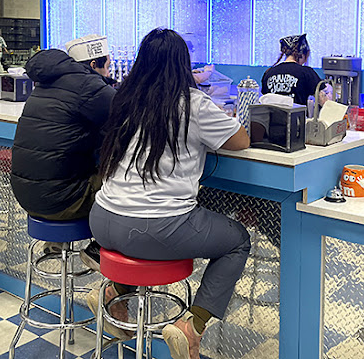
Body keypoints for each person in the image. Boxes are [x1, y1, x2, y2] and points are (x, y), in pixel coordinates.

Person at [88, 28, 251, 359]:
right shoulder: (194, 104)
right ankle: (193, 325)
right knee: (237, 241)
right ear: (183, 65)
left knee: (144, 238)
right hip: (152, 228)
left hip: (102, 220)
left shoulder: (123, 98)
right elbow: (241, 141)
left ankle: (114, 292)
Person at [9, 34, 114, 250]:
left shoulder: (48, 82)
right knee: (125, 179)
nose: (109, 72)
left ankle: (57, 242)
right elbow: (129, 115)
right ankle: (103, 250)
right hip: (61, 203)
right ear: (94, 64)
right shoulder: (89, 85)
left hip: (26, 197)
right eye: (107, 66)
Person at [261, 33, 330, 105]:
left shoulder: (268, 73)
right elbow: (324, 102)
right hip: (296, 116)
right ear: (302, 55)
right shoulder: (306, 72)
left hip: (272, 116)